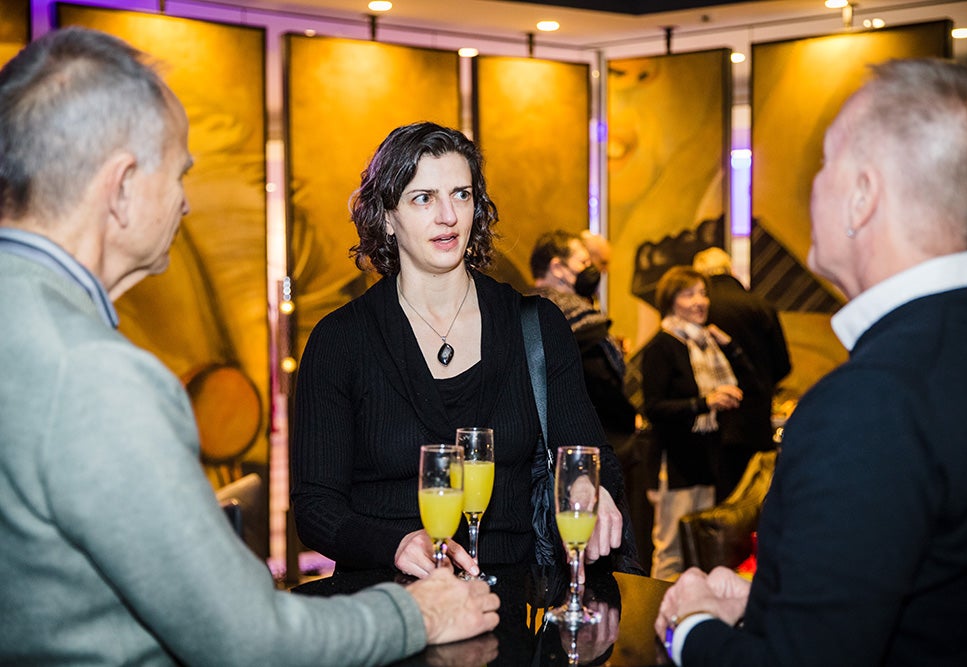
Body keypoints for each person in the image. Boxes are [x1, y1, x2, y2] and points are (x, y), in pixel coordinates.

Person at [0, 28, 499, 666]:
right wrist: (420, 613)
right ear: (121, 187)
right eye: (179, 174)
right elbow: (247, 638)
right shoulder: (96, 374)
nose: (185, 204)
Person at [656, 58, 967, 666]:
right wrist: (770, 602)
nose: (814, 186)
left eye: (825, 162)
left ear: (863, 196)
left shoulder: (867, 404)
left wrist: (691, 626)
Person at [290, 122, 640, 579]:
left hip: (514, 597)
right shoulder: (340, 340)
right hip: (389, 598)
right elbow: (315, 507)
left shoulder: (537, 326)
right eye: (423, 198)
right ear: (387, 217)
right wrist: (393, 544)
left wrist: (595, 491)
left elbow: (592, 456)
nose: (448, 216)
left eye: (461, 194)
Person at [641, 266, 756, 580]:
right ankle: (658, 610)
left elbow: (753, 383)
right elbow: (654, 408)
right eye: (689, 294)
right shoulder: (663, 346)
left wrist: (730, 345)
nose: (700, 301)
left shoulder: (708, 344)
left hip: (706, 460)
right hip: (674, 463)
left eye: (703, 293)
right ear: (671, 301)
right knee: (671, 552)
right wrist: (706, 402)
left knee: (699, 552)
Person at [692, 247, 791, 499]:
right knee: (754, 499)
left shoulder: (698, 312)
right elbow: (784, 364)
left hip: (713, 423)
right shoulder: (761, 305)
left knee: (717, 503)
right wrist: (761, 384)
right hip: (756, 418)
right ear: (731, 270)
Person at [528, 230, 638, 453]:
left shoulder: (521, 306)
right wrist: (628, 417)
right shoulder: (581, 316)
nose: (591, 270)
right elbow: (603, 383)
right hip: (584, 438)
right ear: (558, 267)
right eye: (583, 262)